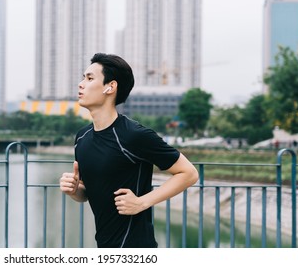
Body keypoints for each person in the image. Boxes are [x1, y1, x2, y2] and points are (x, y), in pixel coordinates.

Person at [59, 53, 199, 248]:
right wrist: (74, 190)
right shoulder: (82, 138)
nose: (81, 84)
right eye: (83, 77)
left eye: (90, 78)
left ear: (110, 87)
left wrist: (142, 202)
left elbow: (189, 173)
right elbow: (87, 193)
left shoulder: (133, 135)